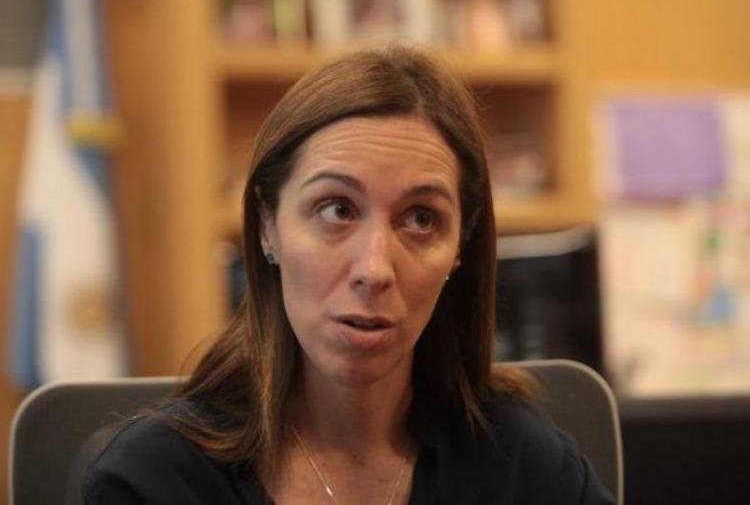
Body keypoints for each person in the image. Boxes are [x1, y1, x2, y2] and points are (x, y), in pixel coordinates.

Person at [83, 46, 615, 504]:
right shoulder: (156, 479)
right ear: (267, 226)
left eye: (421, 219)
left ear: (461, 247)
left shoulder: (522, 464)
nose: (374, 269)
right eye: (336, 209)